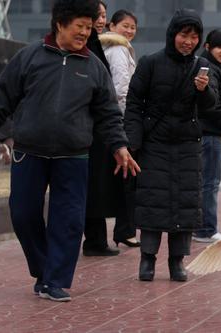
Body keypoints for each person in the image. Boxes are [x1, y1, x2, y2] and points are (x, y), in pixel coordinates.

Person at [0, 0, 140, 302]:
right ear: (59, 23)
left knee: (70, 220)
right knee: (23, 214)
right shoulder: (29, 57)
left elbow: (108, 113)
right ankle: (44, 269)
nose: (86, 32)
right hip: (30, 152)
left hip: (74, 155)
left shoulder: (94, 67)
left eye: (89, 27)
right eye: (80, 26)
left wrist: (119, 145)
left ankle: (55, 280)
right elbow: (0, 100)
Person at [125, 9, 216, 282]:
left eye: (194, 37)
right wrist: (133, 141)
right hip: (155, 144)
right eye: (183, 35)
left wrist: (205, 90)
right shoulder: (150, 63)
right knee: (153, 202)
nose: (188, 41)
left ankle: (177, 261)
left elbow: (214, 108)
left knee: (185, 203)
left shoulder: (202, 67)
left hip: (188, 145)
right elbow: (133, 104)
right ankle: (147, 259)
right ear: (172, 35)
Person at [86, 9, 140, 252]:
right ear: (113, 26)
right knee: (126, 176)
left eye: (133, 27)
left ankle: (106, 235)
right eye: (125, 26)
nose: (129, 31)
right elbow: (120, 90)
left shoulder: (101, 46)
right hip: (116, 122)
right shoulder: (118, 50)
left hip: (102, 124)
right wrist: (124, 122)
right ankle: (124, 231)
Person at [83, 0, 122, 257]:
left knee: (96, 187)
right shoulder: (86, 47)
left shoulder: (99, 45)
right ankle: (93, 241)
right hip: (85, 132)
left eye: (103, 16)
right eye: (96, 15)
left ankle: (96, 240)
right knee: (91, 187)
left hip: (99, 131)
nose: (100, 20)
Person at [193, 29, 221, 243]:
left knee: (205, 182)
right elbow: (211, 103)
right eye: (219, 47)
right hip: (209, 133)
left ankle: (201, 227)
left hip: (210, 132)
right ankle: (206, 229)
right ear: (207, 47)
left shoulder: (213, 67)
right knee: (210, 182)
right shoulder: (207, 68)